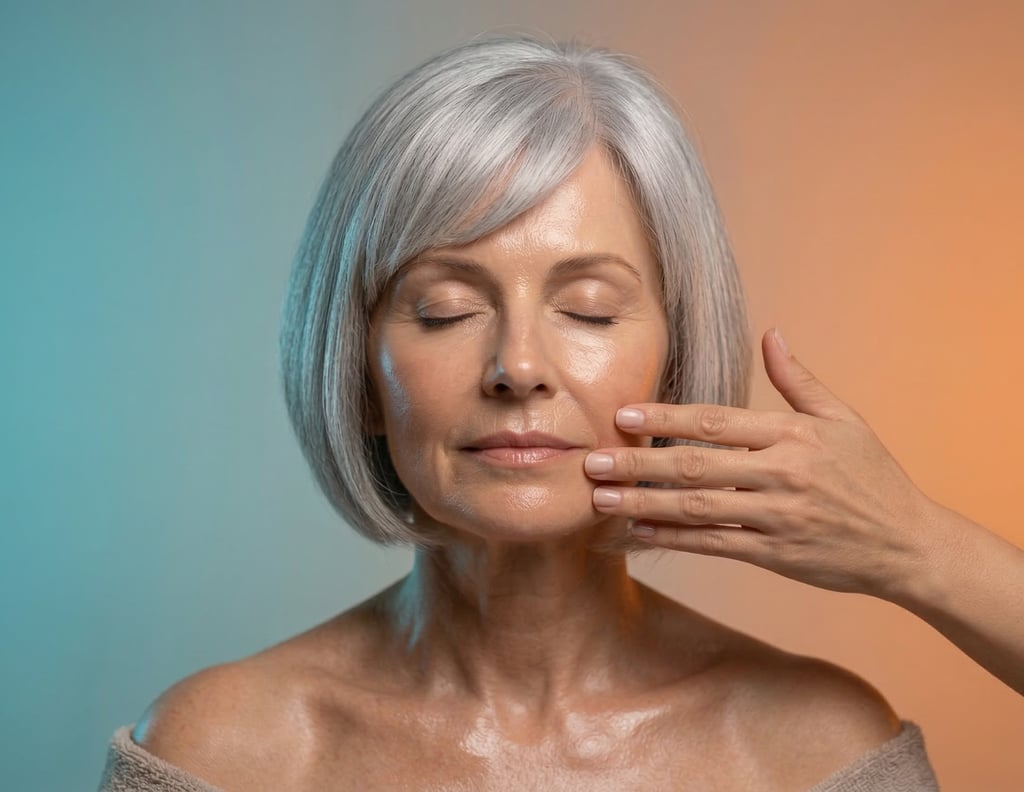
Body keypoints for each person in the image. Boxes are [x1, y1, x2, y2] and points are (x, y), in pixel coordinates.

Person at [97, 33, 946, 791]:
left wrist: (917, 546)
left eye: (587, 309)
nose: (519, 368)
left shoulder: (818, 753)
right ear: (357, 372)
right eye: (444, 310)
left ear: (674, 361)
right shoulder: (221, 753)